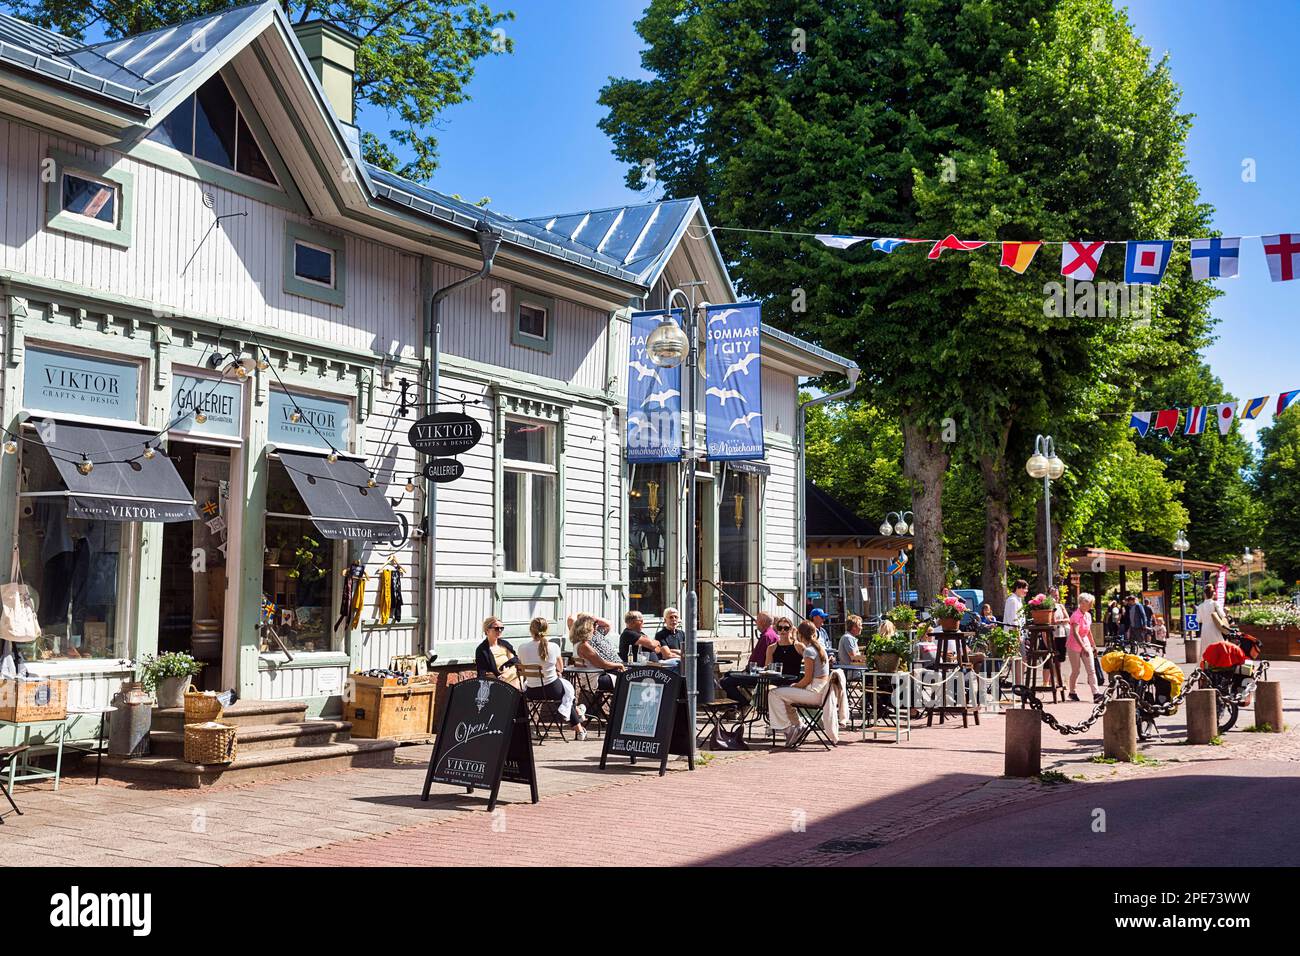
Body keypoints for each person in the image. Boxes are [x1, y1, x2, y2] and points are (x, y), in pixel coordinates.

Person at [767, 621, 847, 745]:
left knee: (773, 693)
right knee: (783, 696)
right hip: (821, 691)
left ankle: (787, 729)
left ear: (799, 634)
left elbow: (807, 679)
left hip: (814, 693)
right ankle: (799, 725)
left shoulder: (809, 651)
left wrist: (794, 686)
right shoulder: (820, 648)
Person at [517, 616, 588, 740]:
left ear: (531, 630)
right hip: (551, 689)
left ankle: (578, 712)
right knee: (567, 693)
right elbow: (560, 668)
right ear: (547, 630)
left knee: (566, 691)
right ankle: (579, 728)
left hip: (531, 691)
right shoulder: (553, 647)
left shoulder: (522, 648)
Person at [720, 611, 779, 703]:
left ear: (762, 622)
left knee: (726, 682)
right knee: (728, 674)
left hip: (759, 674)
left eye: (757, 620)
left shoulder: (767, 637)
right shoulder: (771, 634)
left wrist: (747, 670)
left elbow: (759, 661)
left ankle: (743, 703)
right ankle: (734, 708)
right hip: (759, 672)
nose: (755, 623)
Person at [570, 612, 624, 691]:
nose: (595, 629)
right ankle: (620, 703)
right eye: (593, 626)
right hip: (595, 680)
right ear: (587, 629)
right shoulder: (584, 646)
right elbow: (602, 664)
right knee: (626, 679)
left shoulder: (577, 644)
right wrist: (619, 665)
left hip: (589, 679)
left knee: (623, 677)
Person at [1067, 593, 1101, 703]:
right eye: (1089, 603)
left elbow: (1088, 631)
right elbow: (1075, 633)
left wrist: (1093, 645)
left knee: (1091, 670)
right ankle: (1072, 692)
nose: (1091, 605)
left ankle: (1096, 694)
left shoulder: (1088, 615)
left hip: (1085, 642)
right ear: (1081, 603)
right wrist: (1083, 647)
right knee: (1076, 670)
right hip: (1074, 645)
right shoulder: (1076, 615)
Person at [475, 616, 520, 687]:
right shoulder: (482, 650)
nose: (499, 631)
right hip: (496, 683)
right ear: (487, 630)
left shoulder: (505, 645)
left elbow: (515, 662)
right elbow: (482, 672)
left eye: (501, 628)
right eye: (496, 628)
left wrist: (505, 674)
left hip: (512, 678)